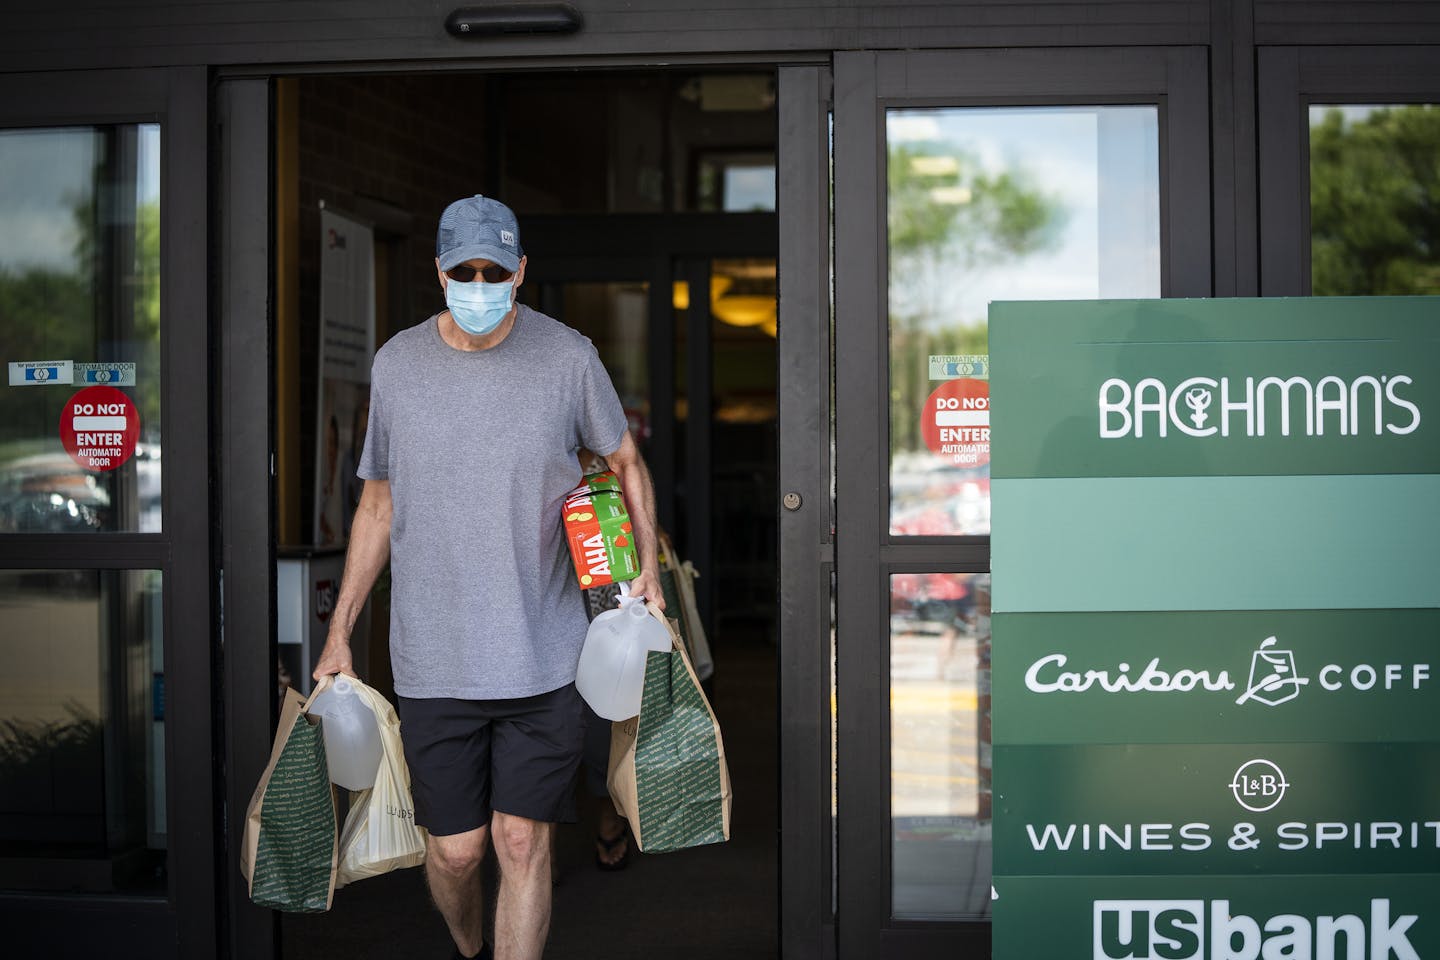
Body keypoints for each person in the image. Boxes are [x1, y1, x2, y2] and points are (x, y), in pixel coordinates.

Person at [313, 194, 664, 960]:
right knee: (457, 852)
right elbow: (377, 505)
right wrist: (340, 633)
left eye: (495, 271)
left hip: (543, 652)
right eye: (465, 271)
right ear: (439, 274)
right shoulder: (399, 365)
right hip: (435, 661)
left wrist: (650, 580)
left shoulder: (568, 358)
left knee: (520, 841)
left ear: (520, 271)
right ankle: (470, 948)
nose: (480, 284)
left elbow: (625, 462)